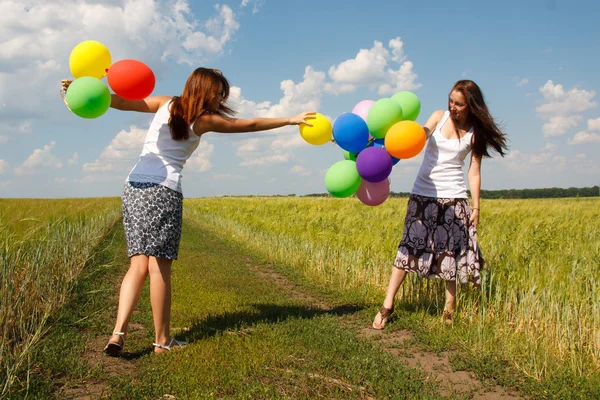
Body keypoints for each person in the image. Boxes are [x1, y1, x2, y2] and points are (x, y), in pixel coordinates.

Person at [63, 68, 314, 354]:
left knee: (138, 264)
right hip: (163, 191)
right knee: (159, 267)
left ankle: (117, 334)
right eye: (219, 93)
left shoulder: (164, 103)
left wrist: (78, 91)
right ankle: (162, 340)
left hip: (133, 187)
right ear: (205, 91)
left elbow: (117, 101)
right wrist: (290, 119)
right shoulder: (203, 120)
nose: (221, 98)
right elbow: (250, 124)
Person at [372, 80, 508, 329]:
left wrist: (476, 207)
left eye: (459, 104)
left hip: (454, 197)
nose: (453, 107)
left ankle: (448, 312)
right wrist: (384, 142)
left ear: (471, 106)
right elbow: (417, 137)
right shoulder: (438, 116)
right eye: (451, 101)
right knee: (407, 248)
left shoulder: (475, 133)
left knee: (450, 255)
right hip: (422, 195)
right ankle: (387, 305)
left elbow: (474, 172)